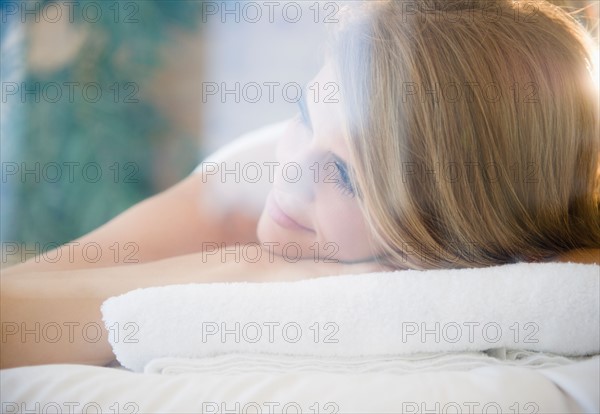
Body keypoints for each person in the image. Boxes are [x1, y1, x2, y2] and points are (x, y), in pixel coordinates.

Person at [2, 0, 598, 368]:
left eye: (344, 175)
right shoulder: (251, 177)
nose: (292, 172)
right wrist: (241, 270)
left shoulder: (515, 231)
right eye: (305, 112)